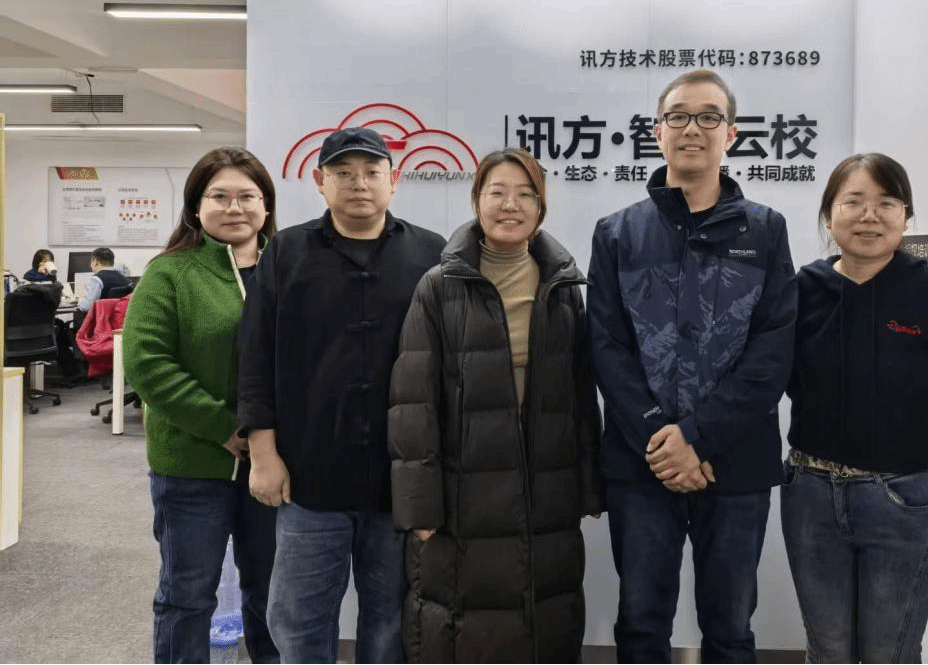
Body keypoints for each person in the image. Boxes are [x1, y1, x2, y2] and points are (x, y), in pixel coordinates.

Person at [587, 69, 797, 663]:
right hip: (642, 462)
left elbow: (772, 351)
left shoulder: (765, 230)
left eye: (709, 117)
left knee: (730, 630)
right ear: (657, 131)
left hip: (736, 461)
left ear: (730, 134)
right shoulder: (618, 233)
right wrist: (664, 438)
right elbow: (606, 347)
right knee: (641, 625)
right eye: (678, 116)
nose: (692, 129)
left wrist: (698, 437)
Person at [237, 127, 445, 664]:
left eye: (372, 172)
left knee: (391, 619)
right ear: (319, 181)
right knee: (298, 617)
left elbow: (448, 369)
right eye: (344, 173)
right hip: (309, 473)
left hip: (398, 477)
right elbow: (255, 357)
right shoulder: (286, 252)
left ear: (394, 181)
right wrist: (262, 453)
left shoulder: (431, 253)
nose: (359, 183)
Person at [388, 147, 604, 663]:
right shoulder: (440, 286)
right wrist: (419, 504)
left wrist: (587, 483)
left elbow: (580, 394)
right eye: (498, 192)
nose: (511, 205)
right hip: (464, 492)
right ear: (476, 200)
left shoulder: (562, 285)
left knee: (544, 615)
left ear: (541, 206)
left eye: (526, 194)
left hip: (546, 489)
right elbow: (413, 401)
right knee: (462, 624)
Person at [781, 152, 928, 663]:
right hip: (811, 495)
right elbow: (782, 376)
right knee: (827, 649)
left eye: (887, 203)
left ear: (905, 217)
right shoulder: (801, 290)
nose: (869, 215)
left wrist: (902, 452)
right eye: (854, 202)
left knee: (889, 653)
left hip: (903, 500)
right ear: (829, 215)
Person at [121, 147, 281, 664]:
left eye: (247, 196)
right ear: (196, 206)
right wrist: (225, 427)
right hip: (192, 466)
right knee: (187, 595)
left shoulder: (290, 269)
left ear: (265, 204)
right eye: (219, 196)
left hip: (276, 463)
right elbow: (147, 363)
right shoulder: (170, 273)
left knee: (272, 594)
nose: (234, 208)